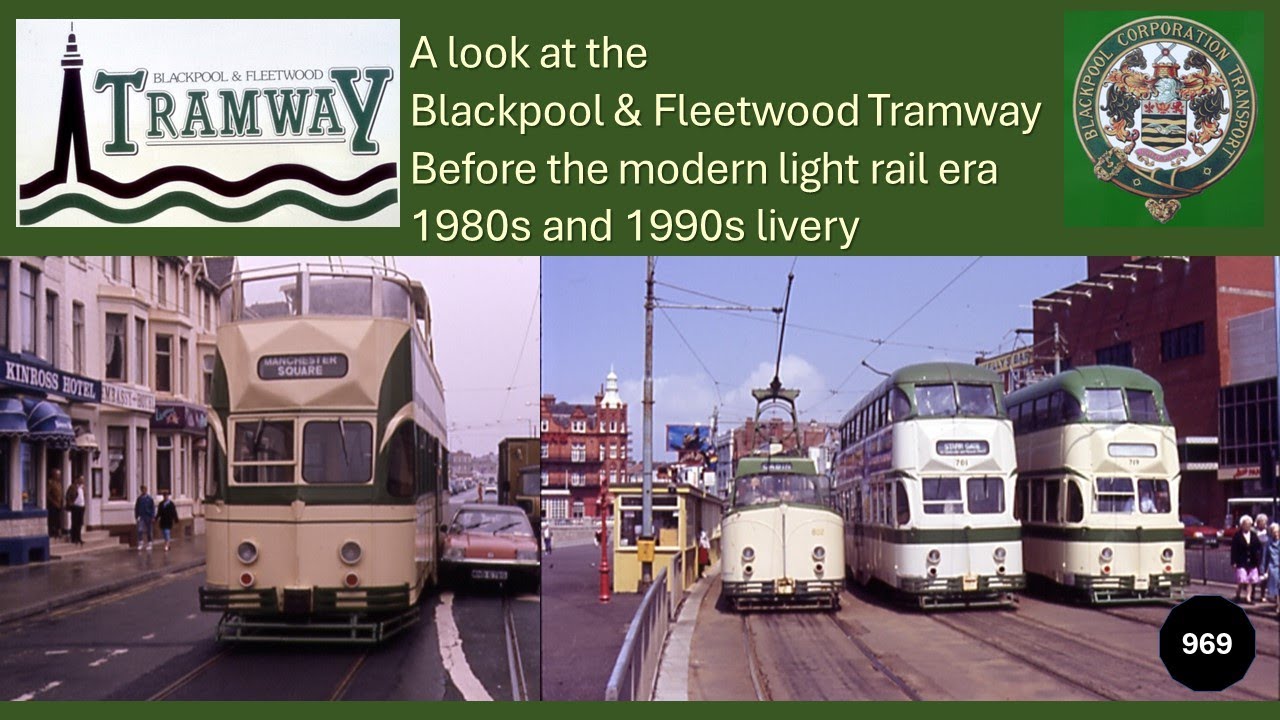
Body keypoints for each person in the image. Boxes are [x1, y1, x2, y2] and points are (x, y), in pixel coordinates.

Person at [1230, 515, 1261, 603]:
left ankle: (1248, 597)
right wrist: (1233, 562)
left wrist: (1258, 556)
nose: (1247, 526)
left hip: (1252, 561)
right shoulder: (1237, 536)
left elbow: (1258, 547)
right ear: (1242, 525)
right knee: (1242, 580)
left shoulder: (1254, 535)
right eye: (1245, 524)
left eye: (1249, 524)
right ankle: (1238, 595)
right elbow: (1234, 549)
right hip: (1241, 561)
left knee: (1250, 580)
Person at [1255, 513, 1272, 602]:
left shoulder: (1269, 532)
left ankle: (1262, 595)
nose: (1263, 523)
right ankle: (1252, 593)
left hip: (1266, 556)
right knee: (1254, 576)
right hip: (1256, 556)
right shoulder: (1254, 532)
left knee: (1264, 577)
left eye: (1264, 521)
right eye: (1261, 522)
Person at [135, 485, 156, 551]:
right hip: (141, 516)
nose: (143, 490)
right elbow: (136, 508)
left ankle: (149, 543)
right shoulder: (139, 499)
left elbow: (152, 508)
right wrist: (136, 516)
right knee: (140, 530)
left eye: (145, 489)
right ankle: (140, 543)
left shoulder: (149, 499)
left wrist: (152, 516)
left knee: (149, 530)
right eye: (142, 489)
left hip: (148, 516)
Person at [1265, 523, 1280, 616]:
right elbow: (1265, 557)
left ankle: (1278, 605)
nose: (1276, 534)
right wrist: (1263, 569)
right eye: (1274, 532)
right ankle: (1278, 605)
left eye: (1278, 532)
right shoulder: (1269, 543)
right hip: (1273, 567)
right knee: (1277, 587)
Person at [68, 476, 87, 545]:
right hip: (75, 507)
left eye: (83, 479)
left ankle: (79, 538)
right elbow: (68, 496)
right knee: (75, 523)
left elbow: (84, 496)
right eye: (81, 479)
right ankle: (74, 538)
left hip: (81, 507)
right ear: (77, 479)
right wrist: (71, 503)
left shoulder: (83, 487)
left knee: (80, 523)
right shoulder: (73, 487)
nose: (82, 481)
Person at [46, 468, 64, 538]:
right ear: (54, 475)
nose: (59, 476)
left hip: (59, 504)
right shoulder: (50, 482)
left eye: (59, 475)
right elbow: (47, 494)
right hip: (53, 504)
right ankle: (51, 532)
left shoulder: (59, 484)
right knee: (52, 519)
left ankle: (58, 532)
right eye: (57, 475)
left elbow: (60, 494)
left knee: (58, 519)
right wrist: (53, 502)